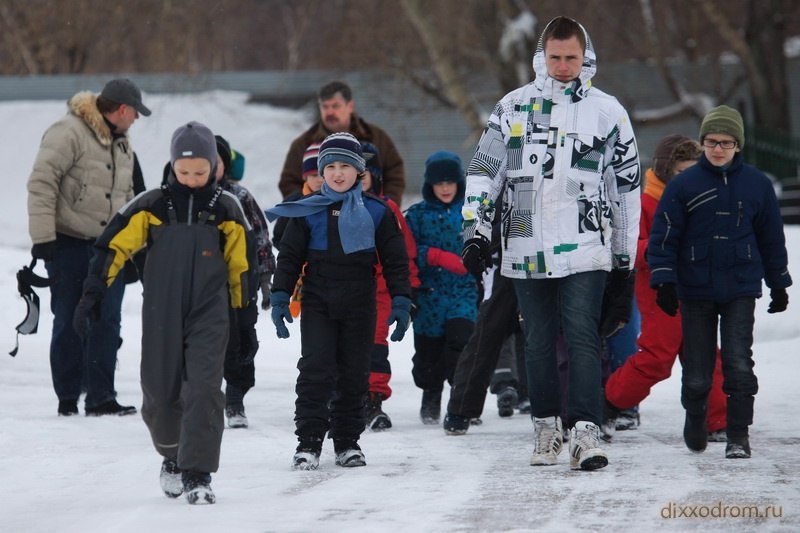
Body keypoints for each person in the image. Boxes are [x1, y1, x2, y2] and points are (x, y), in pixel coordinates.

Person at [461, 16, 641, 470]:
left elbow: (625, 189)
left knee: (582, 336)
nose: (564, 66)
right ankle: (546, 427)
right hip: (527, 243)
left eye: (572, 58)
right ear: (543, 57)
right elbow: (485, 172)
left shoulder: (607, 112)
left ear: (586, 58)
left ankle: (585, 431)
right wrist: (476, 232)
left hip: (587, 244)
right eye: (556, 57)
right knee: (538, 342)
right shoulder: (513, 108)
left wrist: (624, 262)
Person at [72, 121, 256, 504]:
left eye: (200, 172)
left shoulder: (226, 208)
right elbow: (112, 247)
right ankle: (173, 454)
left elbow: (242, 267)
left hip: (210, 309)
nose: (191, 179)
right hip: (161, 309)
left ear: (214, 167)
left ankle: (198, 473)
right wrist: (93, 294)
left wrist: (243, 320)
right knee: (159, 396)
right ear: (173, 165)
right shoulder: (152, 204)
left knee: (205, 388)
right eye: (183, 171)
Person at [647, 106, 792, 459]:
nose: (718, 149)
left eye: (726, 142)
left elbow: (771, 238)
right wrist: (664, 281)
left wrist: (779, 283)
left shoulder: (757, 185)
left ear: (738, 145)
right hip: (695, 288)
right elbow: (664, 237)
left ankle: (738, 434)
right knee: (698, 371)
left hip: (740, 286)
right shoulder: (684, 185)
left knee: (738, 362)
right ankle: (695, 416)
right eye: (712, 141)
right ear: (703, 143)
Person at [266, 132, 411, 470]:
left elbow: (395, 260)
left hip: (360, 302)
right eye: (330, 166)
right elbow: (288, 257)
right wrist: (279, 296)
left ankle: (347, 442)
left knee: (354, 374)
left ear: (359, 170)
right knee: (315, 370)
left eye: (346, 165)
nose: (337, 173)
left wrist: (402, 301)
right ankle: (309, 443)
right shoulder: (307, 211)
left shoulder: (377, 212)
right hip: (319, 301)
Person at [26, 78, 150, 417]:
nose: (137, 120)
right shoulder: (67, 132)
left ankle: (100, 397)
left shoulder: (123, 144)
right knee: (68, 319)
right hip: (67, 243)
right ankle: (68, 396)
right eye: (135, 113)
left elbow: (129, 200)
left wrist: (135, 250)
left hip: (110, 248)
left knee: (107, 320)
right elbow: (42, 183)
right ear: (122, 109)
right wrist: (43, 239)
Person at [603, 135, 728, 441]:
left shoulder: (702, 202)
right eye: (681, 172)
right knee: (656, 358)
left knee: (705, 356)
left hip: (698, 291)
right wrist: (662, 251)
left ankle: (718, 419)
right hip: (660, 292)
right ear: (665, 171)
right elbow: (629, 248)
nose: (689, 179)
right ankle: (606, 403)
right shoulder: (644, 204)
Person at [405, 151, 478, 425]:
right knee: (428, 354)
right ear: (430, 185)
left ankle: (460, 401)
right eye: (439, 182)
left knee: (462, 342)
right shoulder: (417, 215)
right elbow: (407, 251)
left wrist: (473, 261)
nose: (445, 188)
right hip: (430, 296)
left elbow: (486, 242)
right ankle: (431, 394)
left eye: (450, 181)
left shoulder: (470, 212)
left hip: (463, 291)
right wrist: (435, 256)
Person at [214, 135, 276, 429]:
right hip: (203, 289)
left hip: (241, 283)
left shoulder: (239, 196)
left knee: (242, 342)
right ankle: (205, 399)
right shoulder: (182, 200)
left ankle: (235, 397)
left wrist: (265, 277)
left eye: (215, 160)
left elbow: (261, 239)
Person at [360, 142, 421, 430]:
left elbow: (404, 254)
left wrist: (409, 290)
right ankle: (341, 399)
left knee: (374, 346)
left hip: (380, 292)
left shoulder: (387, 209)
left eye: (363, 174)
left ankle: (373, 400)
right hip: (340, 290)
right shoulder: (329, 208)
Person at [278, 80, 406, 206]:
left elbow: (394, 174)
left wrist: (387, 208)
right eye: (325, 106)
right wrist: (308, 211)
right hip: (319, 222)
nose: (329, 112)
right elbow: (289, 182)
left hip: (371, 217)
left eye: (335, 106)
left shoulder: (376, 138)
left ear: (350, 106)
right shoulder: (304, 144)